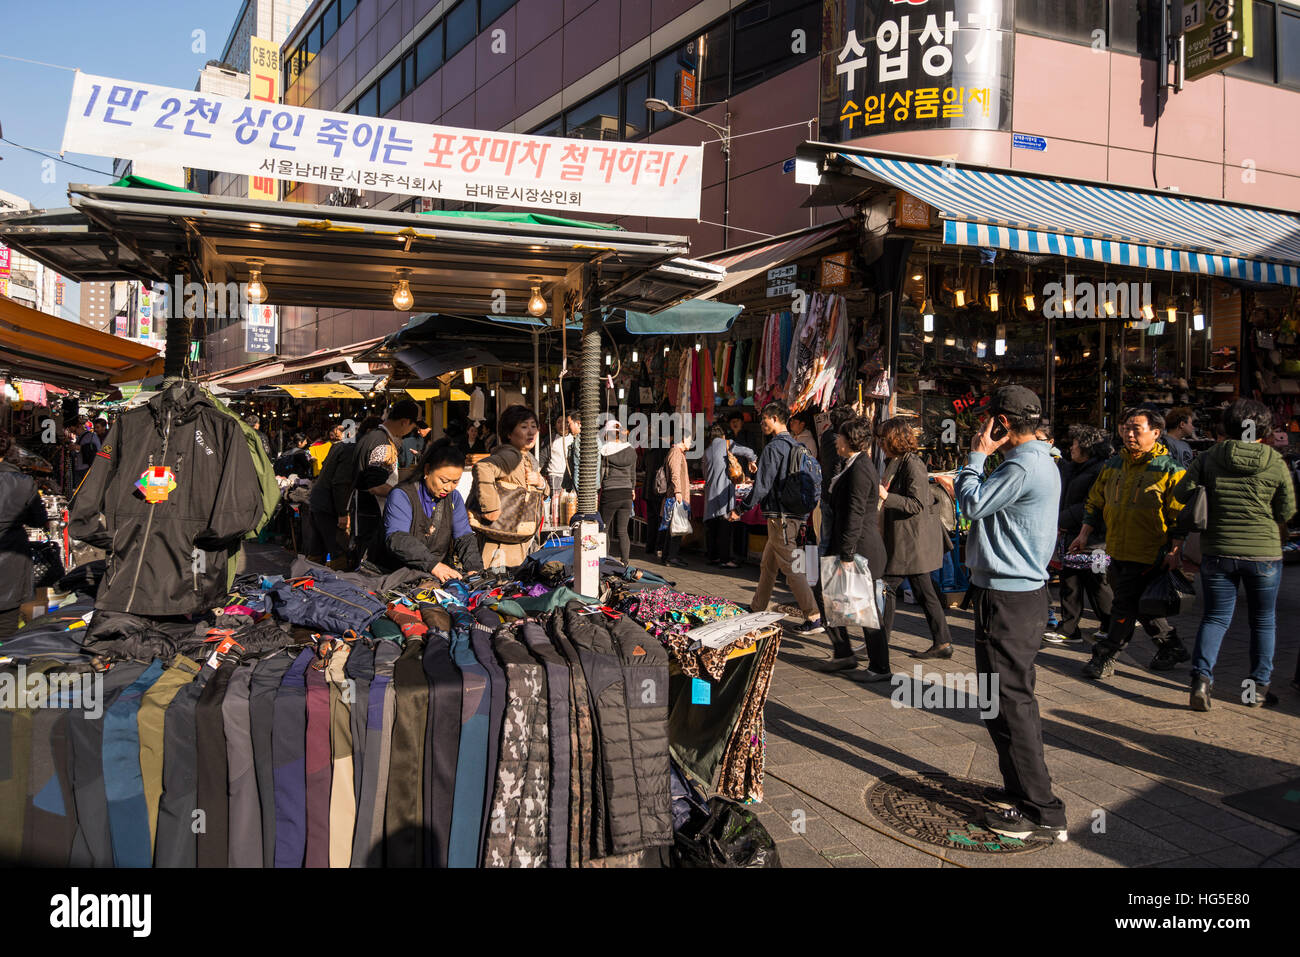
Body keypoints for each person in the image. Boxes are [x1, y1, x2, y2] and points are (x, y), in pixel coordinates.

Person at [953, 386, 1067, 843]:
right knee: (996, 700)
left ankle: (1043, 811)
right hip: (1005, 594)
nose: (984, 428)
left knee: (1011, 702)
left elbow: (973, 504)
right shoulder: (1035, 459)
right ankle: (1021, 792)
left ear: (1000, 423)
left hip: (1010, 598)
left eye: (989, 422)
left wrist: (975, 459)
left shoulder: (1024, 463)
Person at [1172, 400, 1296, 711]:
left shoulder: (1211, 456)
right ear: (1264, 429)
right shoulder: (1275, 461)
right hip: (1264, 553)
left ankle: (1201, 679)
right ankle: (1256, 689)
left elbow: (1181, 492)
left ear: (1227, 426)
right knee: (1263, 621)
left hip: (1218, 550)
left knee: (1214, 618)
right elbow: (1287, 510)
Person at [1072, 408, 1188, 680]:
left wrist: (1174, 550)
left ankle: (1106, 655)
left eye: (1137, 428)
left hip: (1149, 552)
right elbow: (1095, 502)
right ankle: (1172, 646)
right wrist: (1084, 534)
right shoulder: (1113, 465)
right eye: (1125, 428)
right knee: (1141, 605)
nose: (1129, 434)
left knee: (1123, 605)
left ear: (1156, 433)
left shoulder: (1170, 469)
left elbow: (1180, 514)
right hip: (1115, 549)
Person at [730, 401, 824, 635]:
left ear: (774, 419)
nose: (761, 423)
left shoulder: (774, 447)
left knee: (791, 568)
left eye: (764, 419)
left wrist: (741, 509)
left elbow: (762, 486)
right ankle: (757, 607)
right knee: (768, 565)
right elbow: (773, 478)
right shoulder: (794, 444)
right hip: (792, 514)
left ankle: (813, 617)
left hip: (780, 517)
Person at [814, 416, 890, 680]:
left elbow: (855, 514)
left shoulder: (860, 469)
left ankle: (880, 666)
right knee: (826, 594)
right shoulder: (852, 464)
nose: (837, 441)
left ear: (850, 441)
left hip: (859, 549)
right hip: (847, 545)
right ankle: (843, 652)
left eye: (841, 437)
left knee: (867, 609)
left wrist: (846, 554)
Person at [877, 416, 953, 658]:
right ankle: (942, 642)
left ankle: (879, 644)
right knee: (924, 592)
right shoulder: (894, 461)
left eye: (883, 438)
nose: (880, 443)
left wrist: (885, 497)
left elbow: (916, 504)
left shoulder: (912, 464)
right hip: (905, 541)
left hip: (910, 542)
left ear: (894, 439)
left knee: (889, 588)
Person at [1046, 424, 1114, 645]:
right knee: (1070, 581)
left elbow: (1091, 505)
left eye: (1075, 444)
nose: (1071, 448)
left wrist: (1063, 519)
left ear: (1087, 447)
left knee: (1098, 582)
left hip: (1095, 540)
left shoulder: (1101, 470)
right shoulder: (1072, 468)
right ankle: (1069, 628)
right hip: (1071, 535)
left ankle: (1110, 625)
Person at [381, 439, 483, 581]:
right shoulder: (402, 495)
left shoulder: (454, 498)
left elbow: (464, 537)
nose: (449, 488)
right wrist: (434, 565)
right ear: (427, 470)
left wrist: (474, 568)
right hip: (394, 575)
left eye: (455, 482)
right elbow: (397, 538)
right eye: (444, 480)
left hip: (432, 577)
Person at [470, 404, 549, 570]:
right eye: (524, 427)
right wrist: (491, 508)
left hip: (510, 536)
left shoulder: (525, 456)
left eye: (534, 426)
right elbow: (482, 467)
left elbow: (540, 491)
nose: (531, 432)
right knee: (499, 586)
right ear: (509, 433)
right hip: (502, 542)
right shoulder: (511, 455)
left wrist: (540, 483)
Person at [351, 400, 421, 564]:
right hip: (372, 513)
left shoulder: (373, 436)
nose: (413, 430)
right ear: (404, 422)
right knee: (367, 563)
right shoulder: (382, 443)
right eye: (412, 426)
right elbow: (376, 486)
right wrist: (407, 496)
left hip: (364, 512)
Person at [0, 430, 50, 638]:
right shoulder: (24, 482)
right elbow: (39, 519)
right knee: (7, 627)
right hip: (11, 561)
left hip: (12, 556)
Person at [702, 423, 755, 568]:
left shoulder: (706, 452)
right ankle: (725, 560)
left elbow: (704, 473)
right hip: (724, 492)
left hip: (709, 493)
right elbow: (747, 451)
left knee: (712, 527)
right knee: (725, 527)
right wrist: (753, 459)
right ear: (723, 436)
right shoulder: (727, 444)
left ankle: (713, 557)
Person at [599, 420, 637, 564]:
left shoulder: (605, 451)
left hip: (610, 492)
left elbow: (601, 474)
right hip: (627, 493)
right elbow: (632, 474)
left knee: (604, 529)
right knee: (622, 530)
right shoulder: (631, 450)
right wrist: (632, 488)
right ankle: (625, 562)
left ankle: (605, 560)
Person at [658, 430, 693, 568]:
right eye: (689, 439)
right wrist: (678, 492)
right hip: (676, 497)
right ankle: (670, 557)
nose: (691, 442)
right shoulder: (676, 452)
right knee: (676, 528)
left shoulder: (678, 453)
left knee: (674, 528)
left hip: (678, 496)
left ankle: (669, 556)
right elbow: (675, 474)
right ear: (683, 439)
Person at [73, 416, 107, 493]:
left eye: (98, 427)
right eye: (95, 427)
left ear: (104, 427)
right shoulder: (94, 436)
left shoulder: (107, 438)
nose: (95, 429)